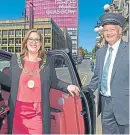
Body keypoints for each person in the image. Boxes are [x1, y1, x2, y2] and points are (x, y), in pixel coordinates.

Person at [7, 29, 80, 134]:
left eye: (37, 40)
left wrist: (68, 86)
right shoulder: (15, 59)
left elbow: (54, 81)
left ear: (41, 43)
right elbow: (8, 81)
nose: (34, 42)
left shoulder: (47, 62)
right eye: (31, 39)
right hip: (18, 112)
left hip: (37, 113)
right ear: (26, 41)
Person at [86, 13, 129, 134]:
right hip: (105, 104)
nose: (109, 33)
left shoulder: (128, 50)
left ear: (120, 31)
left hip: (125, 105)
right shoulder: (100, 53)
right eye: (106, 30)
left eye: (112, 30)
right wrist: (85, 91)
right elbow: (96, 78)